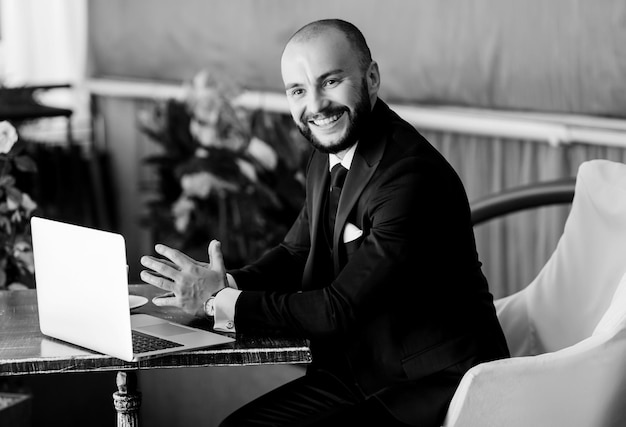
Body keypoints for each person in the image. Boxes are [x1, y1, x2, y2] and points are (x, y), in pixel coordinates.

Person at [140, 18, 510, 427]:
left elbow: (338, 308)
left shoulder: (410, 176)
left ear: (371, 78)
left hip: (432, 382)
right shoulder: (328, 153)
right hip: (363, 368)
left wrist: (219, 302)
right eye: (298, 90)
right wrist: (225, 282)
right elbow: (296, 252)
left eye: (330, 81)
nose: (315, 106)